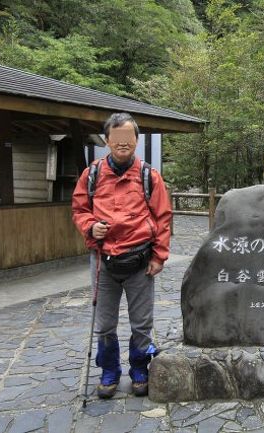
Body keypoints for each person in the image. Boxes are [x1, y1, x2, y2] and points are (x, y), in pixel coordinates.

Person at [72, 112, 172, 399]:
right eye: (117, 139)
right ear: (107, 141)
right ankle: (109, 370)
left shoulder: (148, 176)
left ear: (136, 141)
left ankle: (139, 368)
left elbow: (163, 217)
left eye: (129, 139)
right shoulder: (91, 175)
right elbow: (79, 210)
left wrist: (159, 256)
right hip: (103, 261)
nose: (123, 144)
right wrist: (91, 226)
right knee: (104, 323)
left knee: (141, 322)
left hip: (140, 261)